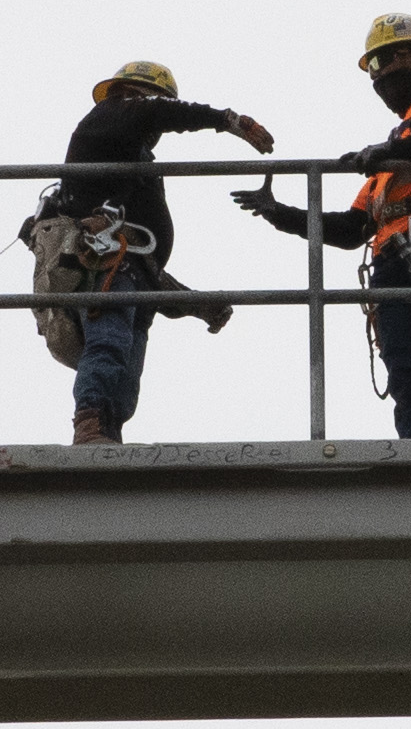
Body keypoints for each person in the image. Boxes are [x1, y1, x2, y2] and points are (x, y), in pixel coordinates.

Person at [236, 11, 411, 440]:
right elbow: (351, 229)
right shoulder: (394, 149)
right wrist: (281, 214)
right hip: (391, 258)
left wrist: (387, 152)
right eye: (375, 68)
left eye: (390, 60)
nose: (382, 76)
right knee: (406, 370)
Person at [50, 61, 273, 446]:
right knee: (109, 346)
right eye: (151, 103)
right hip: (106, 266)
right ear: (133, 96)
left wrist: (193, 304)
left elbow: (144, 260)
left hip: (130, 272)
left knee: (126, 369)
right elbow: (160, 112)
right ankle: (91, 427)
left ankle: (107, 435)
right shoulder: (109, 115)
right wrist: (228, 120)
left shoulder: (131, 160)